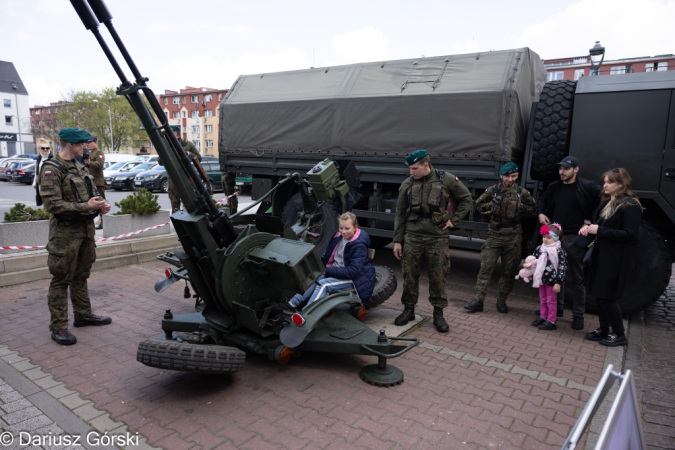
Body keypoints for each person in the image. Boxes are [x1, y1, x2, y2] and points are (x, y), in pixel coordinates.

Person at [38, 128, 112, 346]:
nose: (85, 147)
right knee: (61, 279)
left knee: (81, 275)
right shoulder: (52, 168)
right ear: (70, 144)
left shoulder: (80, 166)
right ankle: (59, 327)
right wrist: (85, 206)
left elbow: (89, 194)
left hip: (85, 231)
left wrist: (99, 205)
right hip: (64, 235)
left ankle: (83, 315)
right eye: (81, 144)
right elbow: (52, 205)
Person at [393, 149, 473, 333]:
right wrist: (398, 240)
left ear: (426, 165)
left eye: (414, 168)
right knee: (409, 275)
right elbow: (399, 213)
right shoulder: (408, 183)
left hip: (437, 237)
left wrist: (455, 221)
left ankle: (438, 314)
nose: (411, 172)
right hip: (413, 236)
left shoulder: (446, 179)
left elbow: (466, 199)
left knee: (438, 276)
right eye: (410, 169)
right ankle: (408, 310)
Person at [536, 156, 601, 330]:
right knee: (553, 277)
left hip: (574, 238)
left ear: (576, 169)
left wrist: (590, 222)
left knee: (575, 279)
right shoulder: (554, 187)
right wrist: (541, 213)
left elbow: (604, 202)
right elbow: (542, 200)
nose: (562, 172)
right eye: (560, 169)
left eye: (565, 169)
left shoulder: (587, 187)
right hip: (555, 237)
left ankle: (578, 316)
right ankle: (555, 310)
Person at [464, 162, 537, 314]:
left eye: (513, 176)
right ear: (501, 176)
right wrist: (491, 206)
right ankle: (478, 300)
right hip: (495, 235)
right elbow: (478, 205)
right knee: (485, 268)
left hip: (513, 237)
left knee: (509, 271)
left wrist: (522, 208)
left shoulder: (521, 193)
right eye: (506, 176)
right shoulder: (493, 190)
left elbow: (533, 210)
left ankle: (501, 300)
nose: (509, 179)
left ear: (517, 176)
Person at [580, 168, 642, 347]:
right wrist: (589, 227)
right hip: (603, 255)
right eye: (604, 181)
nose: (605, 185)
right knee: (600, 294)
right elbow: (599, 224)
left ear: (621, 184)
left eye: (609, 182)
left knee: (608, 297)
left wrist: (599, 230)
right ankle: (603, 328)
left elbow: (630, 234)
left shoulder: (630, 205)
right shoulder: (608, 201)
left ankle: (619, 334)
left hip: (616, 258)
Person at [288, 212, 376, 309]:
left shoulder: (359, 246)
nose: (343, 231)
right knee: (314, 278)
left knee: (323, 285)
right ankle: (292, 303)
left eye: (347, 228)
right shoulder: (338, 237)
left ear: (355, 227)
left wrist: (328, 270)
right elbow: (326, 257)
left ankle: (307, 312)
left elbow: (353, 271)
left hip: (354, 279)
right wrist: (317, 266)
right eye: (341, 228)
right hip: (336, 272)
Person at [530, 224, 567, 331]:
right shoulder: (540, 248)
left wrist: (558, 282)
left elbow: (562, 267)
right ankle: (543, 316)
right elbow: (533, 259)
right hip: (542, 279)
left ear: (556, 238)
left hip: (552, 281)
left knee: (551, 300)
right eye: (544, 237)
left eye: (548, 237)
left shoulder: (559, 251)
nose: (545, 240)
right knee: (543, 299)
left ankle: (551, 320)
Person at [158, 125, 201, 213]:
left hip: (186, 173)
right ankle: (176, 214)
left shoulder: (187, 144)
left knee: (189, 196)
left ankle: (190, 214)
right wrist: (165, 155)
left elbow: (199, 158)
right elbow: (160, 161)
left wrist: (189, 154)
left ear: (175, 133)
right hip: (173, 173)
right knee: (173, 196)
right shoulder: (166, 145)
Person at [84, 136, 106, 229]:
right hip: (90, 181)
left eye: (89, 142)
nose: (87, 144)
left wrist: (90, 163)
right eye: (87, 143)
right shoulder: (89, 153)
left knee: (101, 202)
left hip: (97, 181)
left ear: (95, 143)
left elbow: (99, 164)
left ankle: (103, 221)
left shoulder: (98, 152)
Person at [33, 138, 53, 206]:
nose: (45, 149)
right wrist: (34, 183)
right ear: (39, 149)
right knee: (43, 201)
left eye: (47, 148)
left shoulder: (52, 159)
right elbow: (37, 172)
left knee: (50, 202)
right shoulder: (38, 159)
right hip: (41, 185)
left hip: (51, 185)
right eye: (43, 148)